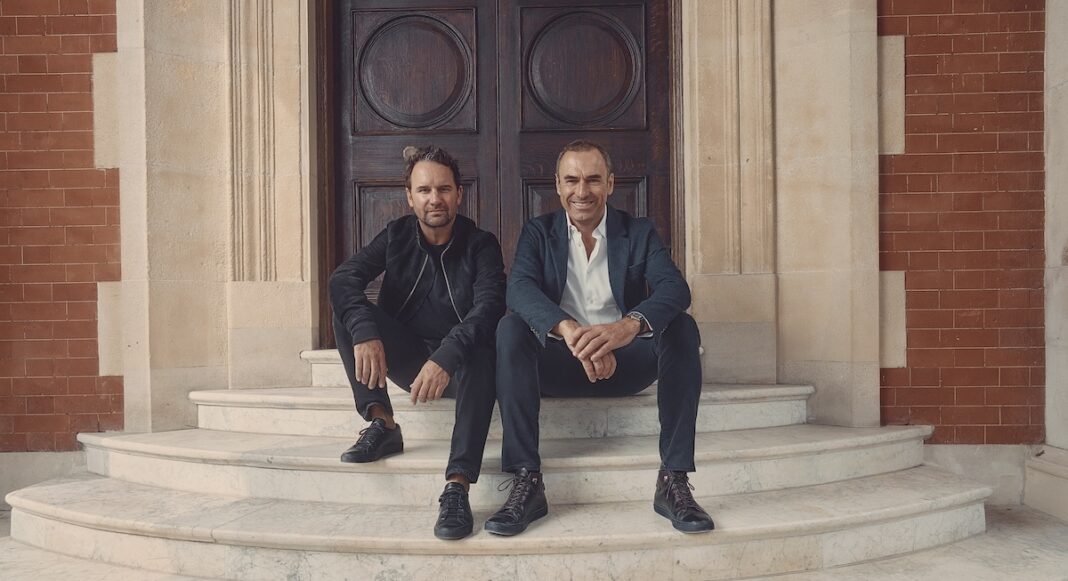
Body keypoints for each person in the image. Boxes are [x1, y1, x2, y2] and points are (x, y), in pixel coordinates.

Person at [486, 140, 713, 536]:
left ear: (610, 184)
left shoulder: (638, 231)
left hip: (624, 364)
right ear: (558, 185)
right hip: (558, 364)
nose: (582, 191)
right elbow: (519, 290)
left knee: (682, 326)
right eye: (572, 180)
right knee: (510, 328)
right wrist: (570, 330)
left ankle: (673, 480)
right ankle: (527, 479)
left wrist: (626, 327)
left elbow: (675, 289)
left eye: (593, 180)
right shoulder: (538, 232)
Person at [329, 145, 505, 541]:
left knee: (483, 349)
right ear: (410, 197)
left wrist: (447, 355)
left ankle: (457, 486)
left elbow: (489, 308)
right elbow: (343, 278)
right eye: (424, 190)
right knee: (347, 309)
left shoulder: (481, 244)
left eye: (444, 189)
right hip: (409, 359)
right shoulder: (396, 235)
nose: (434, 199)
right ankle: (383, 422)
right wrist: (365, 331)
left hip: (460, 367)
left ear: (459, 194)